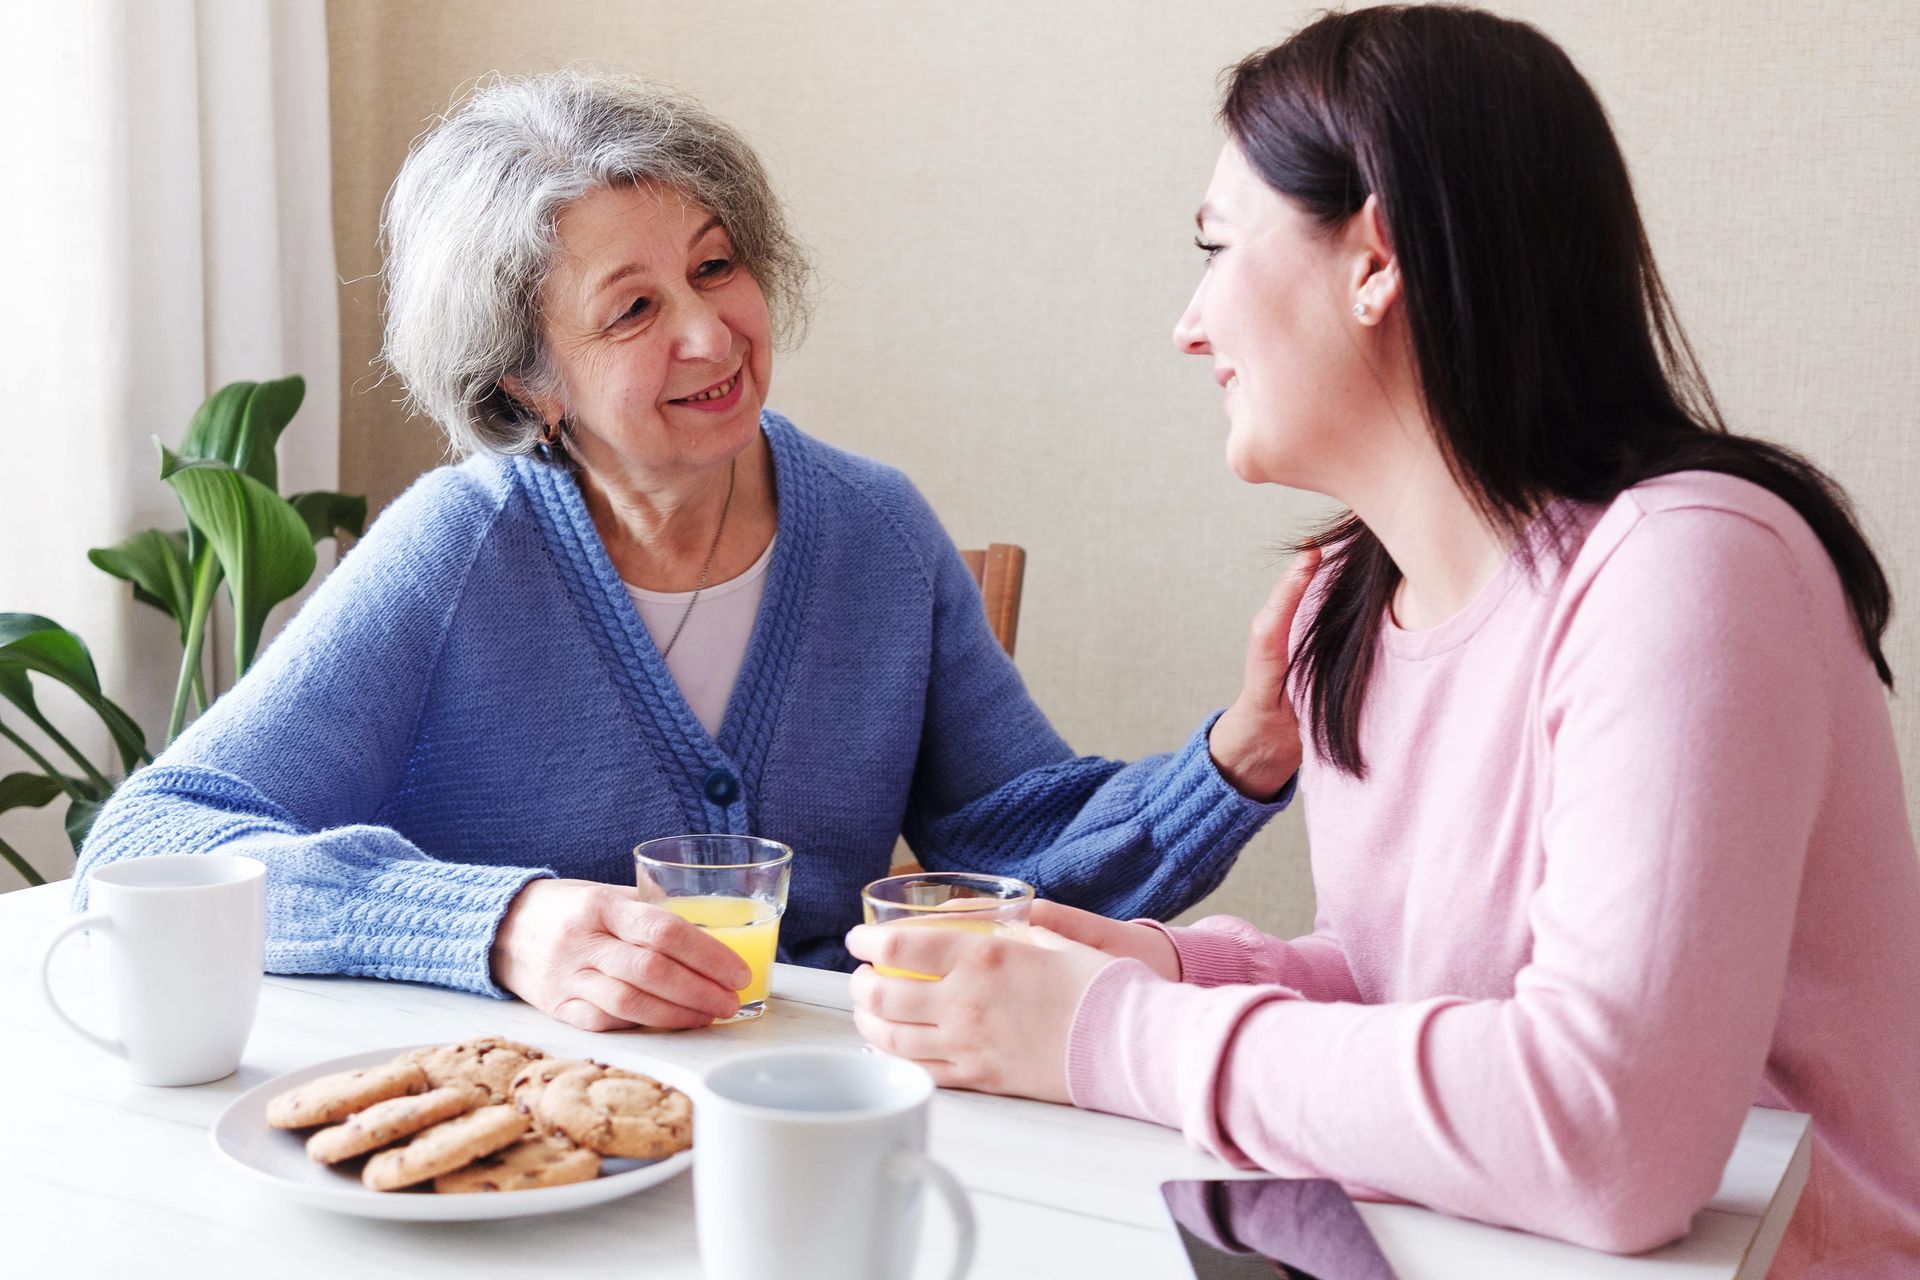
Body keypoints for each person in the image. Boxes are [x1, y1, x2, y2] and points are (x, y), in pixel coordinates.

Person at [845, 8, 1920, 1273]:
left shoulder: (1692, 565)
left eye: (1216, 247)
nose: (1189, 325)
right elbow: (1413, 990)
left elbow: (1608, 1129)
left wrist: (1118, 1031)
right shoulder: (1354, 600)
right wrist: (1163, 963)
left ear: (1375, 257)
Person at [72, 71, 1297, 1033]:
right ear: (529, 379)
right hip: (519, 1123)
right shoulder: (456, 552)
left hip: (809, 1100)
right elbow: (151, 840)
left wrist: (1235, 757)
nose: (712, 333)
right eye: (635, 308)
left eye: (717, 266)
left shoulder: (876, 530)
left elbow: (1019, 848)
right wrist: (501, 922)